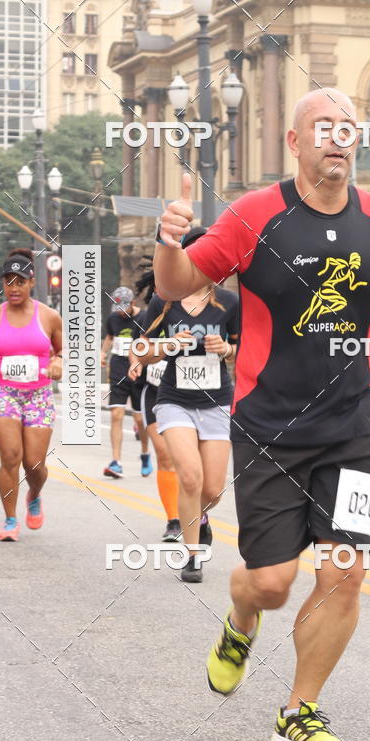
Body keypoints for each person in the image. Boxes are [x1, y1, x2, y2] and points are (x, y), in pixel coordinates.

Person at [154, 87, 370, 741]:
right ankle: (241, 616)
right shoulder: (254, 216)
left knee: (344, 570)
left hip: (353, 429)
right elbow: (175, 281)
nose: (337, 138)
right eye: (322, 128)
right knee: (272, 584)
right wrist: (166, 243)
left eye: (348, 129)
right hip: (268, 431)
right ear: (296, 144)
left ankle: (298, 711)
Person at [134, 227, 238, 583]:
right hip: (175, 400)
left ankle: (202, 517)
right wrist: (167, 346)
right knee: (190, 478)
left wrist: (226, 350)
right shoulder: (164, 301)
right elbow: (141, 351)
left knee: (212, 490)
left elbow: (245, 349)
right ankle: (192, 555)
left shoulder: (230, 302)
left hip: (217, 401)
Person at [0, 248, 63, 541]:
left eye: (20, 281)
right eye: (8, 281)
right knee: (10, 456)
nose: (14, 288)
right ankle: (10, 520)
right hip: (3, 392)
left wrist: (57, 362)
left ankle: (34, 495)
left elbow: (62, 353)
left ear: (31, 282)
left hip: (37, 394)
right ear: (2, 284)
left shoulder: (49, 317)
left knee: (34, 464)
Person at [130, 266, 180, 542]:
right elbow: (136, 346)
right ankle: (173, 519)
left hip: (189, 394)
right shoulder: (152, 313)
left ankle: (196, 510)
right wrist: (136, 364)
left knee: (188, 462)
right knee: (166, 455)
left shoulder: (197, 312)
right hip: (154, 392)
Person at [100, 286, 152, 479]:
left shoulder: (145, 317)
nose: (120, 312)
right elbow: (110, 337)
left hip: (139, 370)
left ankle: (145, 454)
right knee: (116, 414)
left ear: (132, 303)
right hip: (118, 369)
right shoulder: (113, 318)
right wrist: (103, 353)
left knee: (139, 418)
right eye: (117, 308)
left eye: (123, 307)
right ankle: (116, 462)